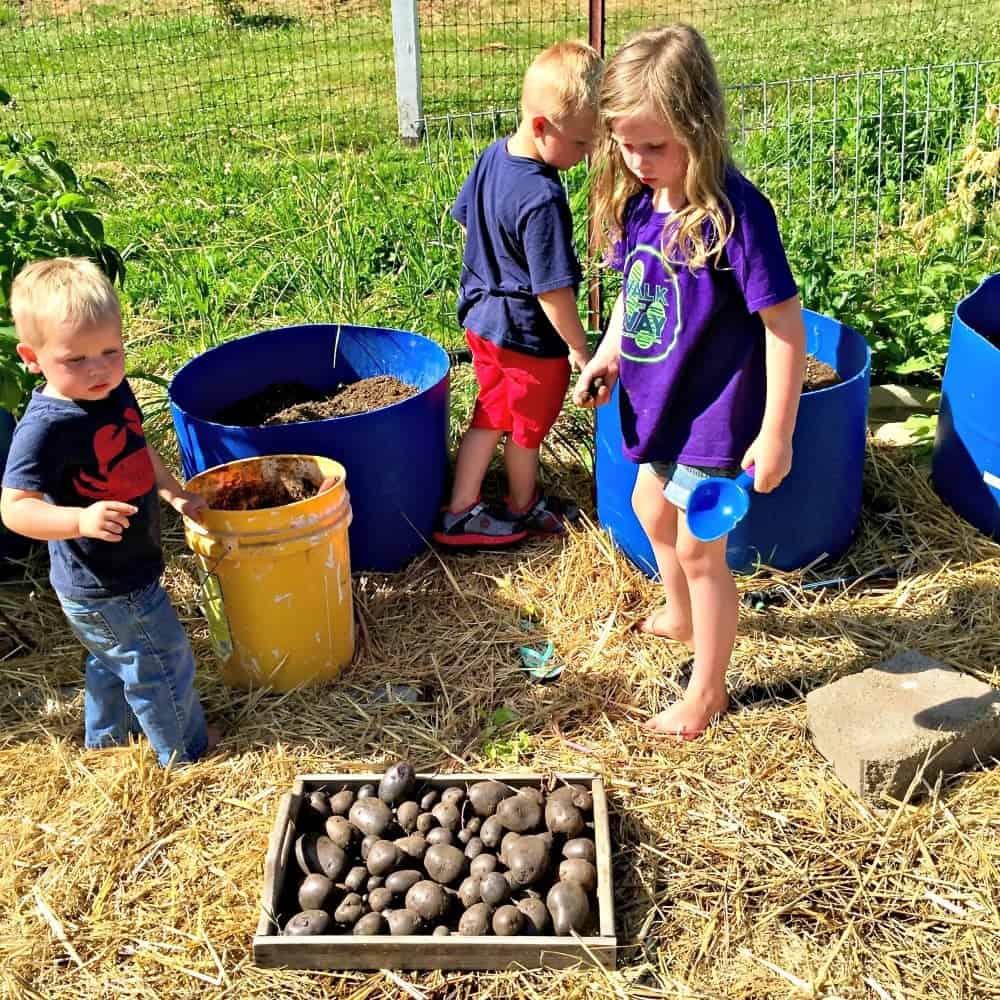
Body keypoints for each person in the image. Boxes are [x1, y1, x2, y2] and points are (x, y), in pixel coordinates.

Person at [574, 25, 806, 738]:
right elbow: (633, 295)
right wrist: (608, 354)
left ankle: (707, 694)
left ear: (699, 127)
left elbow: (785, 329)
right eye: (625, 142)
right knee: (650, 509)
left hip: (716, 418)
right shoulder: (645, 204)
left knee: (703, 551)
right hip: (660, 407)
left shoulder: (736, 216)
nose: (638, 160)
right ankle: (679, 615)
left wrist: (776, 433)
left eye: (655, 145)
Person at [1, 258, 220, 766]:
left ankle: (107, 740)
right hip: (102, 584)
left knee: (113, 660)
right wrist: (78, 520)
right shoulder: (44, 429)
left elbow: (137, 449)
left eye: (110, 351)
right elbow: (15, 509)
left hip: (129, 568)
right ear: (32, 357)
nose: (98, 369)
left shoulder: (110, 390)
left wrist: (172, 493)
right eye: (75, 359)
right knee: (160, 662)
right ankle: (187, 755)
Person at [433, 40, 605, 547]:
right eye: (579, 144)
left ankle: (463, 503)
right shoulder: (544, 197)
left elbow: (469, 226)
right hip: (528, 338)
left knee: (491, 410)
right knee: (527, 428)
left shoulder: (492, 157)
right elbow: (553, 291)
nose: (588, 153)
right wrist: (579, 349)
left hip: (481, 319)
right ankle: (519, 504)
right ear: (540, 127)